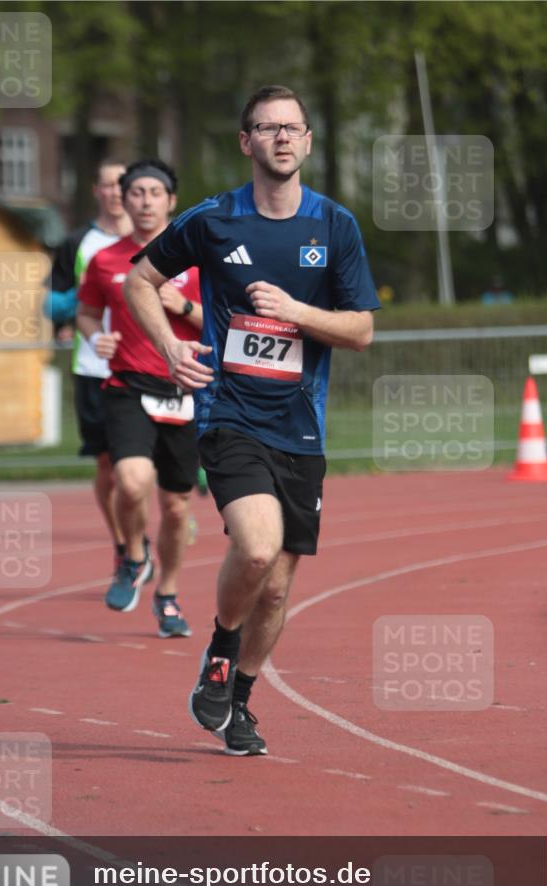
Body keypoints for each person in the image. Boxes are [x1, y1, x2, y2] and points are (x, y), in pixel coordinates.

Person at [125, 85, 379, 754]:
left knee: (275, 590)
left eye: (292, 128)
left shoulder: (335, 225)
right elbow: (138, 281)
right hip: (229, 412)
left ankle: (237, 699)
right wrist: (170, 347)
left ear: (308, 141)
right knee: (258, 548)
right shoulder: (214, 219)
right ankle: (219, 646)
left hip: (302, 424)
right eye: (267, 128)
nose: (281, 138)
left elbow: (360, 331)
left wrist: (297, 312)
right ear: (247, 142)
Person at [76, 159, 202, 638]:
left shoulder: (197, 259)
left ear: (171, 201)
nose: (145, 201)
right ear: (122, 200)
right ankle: (133, 555)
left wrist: (182, 305)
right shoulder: (106, 259)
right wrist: (96, 338)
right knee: (130, 482)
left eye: (155, 193)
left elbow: (224, 319)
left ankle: (167, 595)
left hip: (185, 387)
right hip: (127, 384)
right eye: (136, 192)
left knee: (176, 506)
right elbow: (87, 313)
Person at [45, 158, 133, 574]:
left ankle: (165, 517)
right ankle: (123, 542)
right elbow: (53, 302)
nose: (116, 192)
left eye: (123, 184)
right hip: (94, 365)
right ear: (97, 190)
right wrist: (76, 306)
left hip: (146, 366)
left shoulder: (153, 238)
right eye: (108, 185)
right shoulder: (77, 243)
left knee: (142, 464)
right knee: (108, 467)